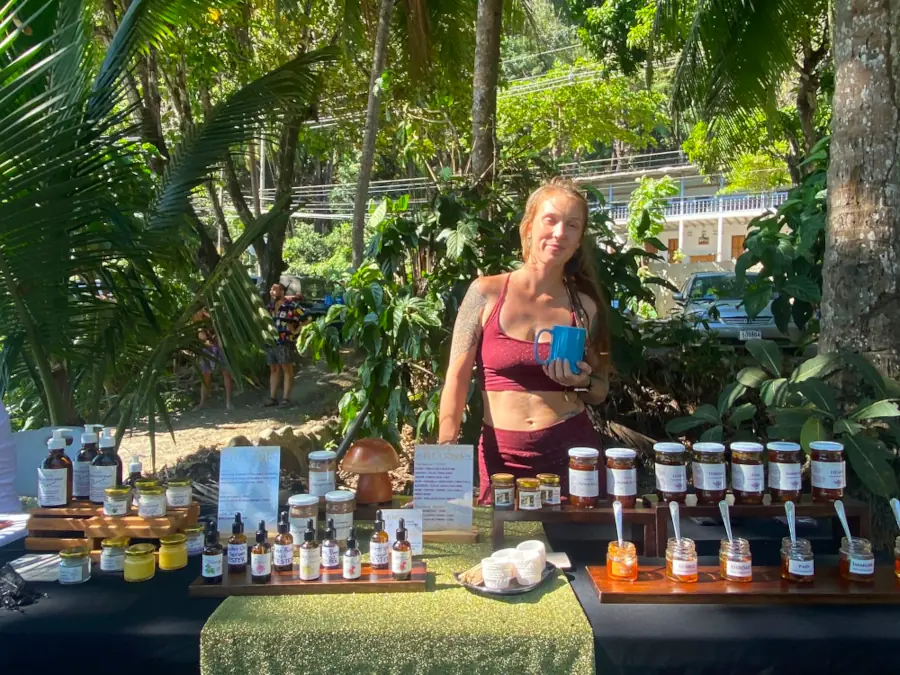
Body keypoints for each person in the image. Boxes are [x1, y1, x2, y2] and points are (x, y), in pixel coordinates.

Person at [438, 178, 611, 503]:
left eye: (572, 225)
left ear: (578, 241)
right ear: (529, 227)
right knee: (500, 552)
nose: (560, 233)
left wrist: (581, 382)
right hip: (502, 459)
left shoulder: (584, 307)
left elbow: (599, 391)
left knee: (578, 552)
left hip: (571, 452)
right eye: (551, 220)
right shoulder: (485, 293)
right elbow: (457, 378)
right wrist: (446, 449)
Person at [264, 282, 304, 407]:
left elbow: (306, 318)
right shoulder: (269, 307)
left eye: (275, 289)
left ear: (282, 291)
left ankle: (286, 398)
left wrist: (296, 331)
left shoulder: (291, 306)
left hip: (285, 341)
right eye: (271, 289)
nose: (272, 291)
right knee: (274, 369)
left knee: (287, 369)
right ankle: (273, 397)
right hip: (271, 342)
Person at [194, 309, 233, 411]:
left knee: (226, 373)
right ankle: (202, 402)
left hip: (222, 345)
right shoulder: (198, 314)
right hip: (208, 347)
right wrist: (203, 336)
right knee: (205, 374)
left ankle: (229, 402)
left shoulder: (217, 309)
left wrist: (209, 315)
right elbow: (199, 333)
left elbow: (223, 323)